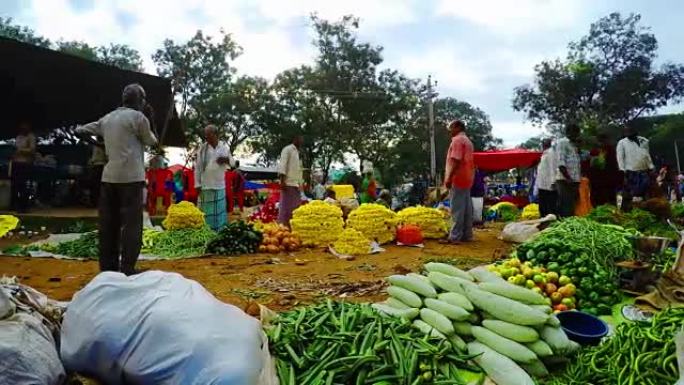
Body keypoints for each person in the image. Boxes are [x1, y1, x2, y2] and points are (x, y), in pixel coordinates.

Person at [76, 83, 157, 275]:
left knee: (108, 224)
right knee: (131, 225)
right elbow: (152, 141)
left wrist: (101, 145)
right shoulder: (138, 118)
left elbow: (79, 131)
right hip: (131, 178)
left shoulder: (107, 118)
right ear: (139, 100)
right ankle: (128, 268)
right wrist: (151, 119)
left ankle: (108, 269)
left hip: (109, 178)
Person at [194, 125, 235, 231]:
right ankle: (205, 232)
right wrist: (197, 184)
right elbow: (197, 168)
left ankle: (219, 232)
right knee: (205, 213)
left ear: (216, 135)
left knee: (218, 214)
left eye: (209, 134)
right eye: (205, 135)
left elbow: (233, 164)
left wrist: (225, 160)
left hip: (219, 186)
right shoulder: (202, 149)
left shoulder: (224, 148)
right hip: (205, 186)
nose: (206, 137)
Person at [442, 120, 475, 244]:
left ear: (457, 127)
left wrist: (449, 177)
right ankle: (467, 234)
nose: (450, 131)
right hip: (467, 177)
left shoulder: (457, 140)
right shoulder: (468, 141)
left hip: (458, 177)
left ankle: (455, 236)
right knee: (466, 207)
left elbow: (456, 159)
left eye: (451, 128)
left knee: (457, 208)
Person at [617, 126, 654, 210]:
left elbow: (647, 155)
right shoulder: (622, 143)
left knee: (645, 192)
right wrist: (622, 171)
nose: (629, 134)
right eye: (627, 132)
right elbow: (620, 158)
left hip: (644, 170)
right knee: (633, 193)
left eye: (631, 131)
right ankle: (632, 210)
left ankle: (645, 209)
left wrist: (651, 166)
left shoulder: (644, 141)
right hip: (631, 171)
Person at [555, 123, 582, 218]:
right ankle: (563, 225)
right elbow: (560, 163)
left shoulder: (574, 145)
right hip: (565, 180)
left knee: (571, 206)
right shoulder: (562, 143)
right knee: (565, 206)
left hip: (574, 180)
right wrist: (568, 178)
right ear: (569, 132)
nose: (577, 136)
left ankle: (569, 225)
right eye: (576, 133)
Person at [277, 135, 303, 227]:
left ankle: (291, 226)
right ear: (295, 139)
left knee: (295, 207)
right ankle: (283, 226)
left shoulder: (297, 152)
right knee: (286, 207)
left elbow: (298, 170)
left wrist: (300, 183)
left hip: (295, 184)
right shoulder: (287, 149)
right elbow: (283, 165)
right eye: (300, 139)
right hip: (288, 183)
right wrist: (282, 181)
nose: (301, 141)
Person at [588, 133, 620, 207]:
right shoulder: (594, 151)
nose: (601, 143)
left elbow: (614, 165)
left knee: (609, 198)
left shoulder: (611, 150)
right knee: (599, 199)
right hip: (598, 181)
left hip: (609, 180)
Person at [11, 121, 36, 212]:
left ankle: (24, 206)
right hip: (16, 163)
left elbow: (32, 150)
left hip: (25, 163)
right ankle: (15, 205)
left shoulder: (31, 137)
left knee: (23, 185)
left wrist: (21, 151)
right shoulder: (18, 137)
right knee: (15, 185)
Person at [535, 138, 557, 217]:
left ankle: (549, 222)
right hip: (542, 184)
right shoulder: (544, 154)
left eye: (545, 143)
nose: (544, 144)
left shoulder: (551, 153)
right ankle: (543, 220)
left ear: (549, 143)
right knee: (543, 205)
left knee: (549, 206)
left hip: (549, 185)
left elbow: (553, 167)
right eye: (543, 143)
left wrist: (553, 181)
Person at [88, 136, 107, 207]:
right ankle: (94, 202)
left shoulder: (104, 145)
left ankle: (99, 202)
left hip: (101, 165)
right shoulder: (94, 146)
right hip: (95, 165)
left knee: (99, 185)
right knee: (94, 185)